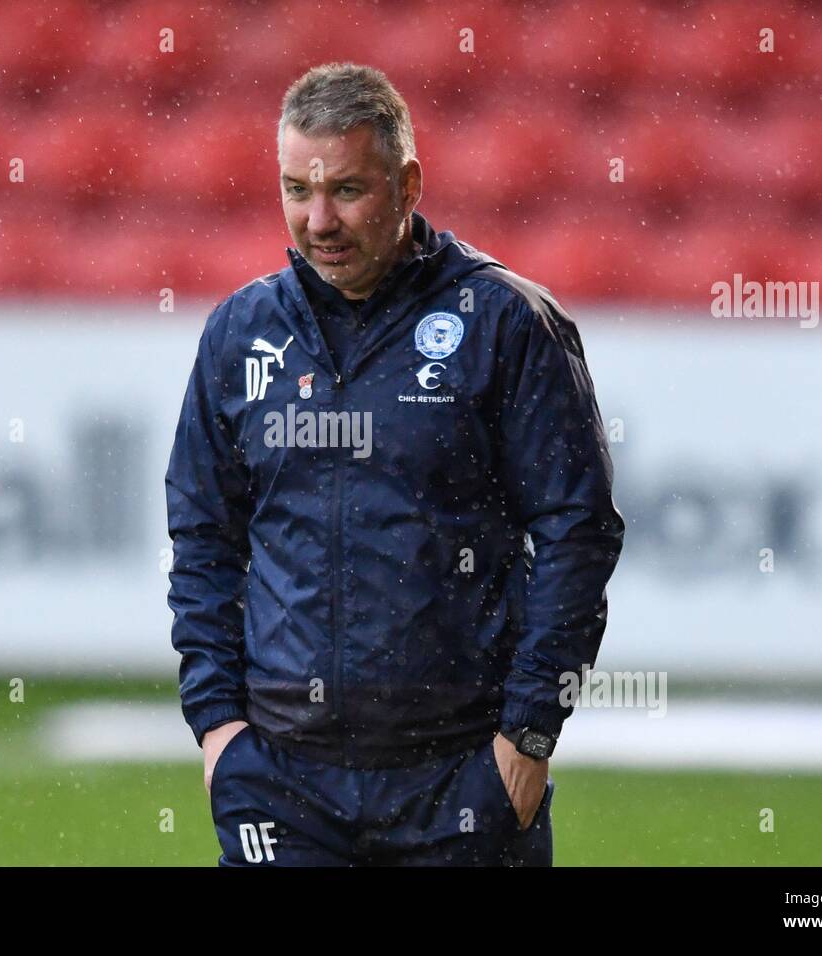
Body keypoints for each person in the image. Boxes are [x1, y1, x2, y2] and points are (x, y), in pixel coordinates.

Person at [165, 62, 625, 866]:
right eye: (296, 191)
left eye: (347, 190)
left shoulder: (505, 324)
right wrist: (218, 729)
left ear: (408, 184)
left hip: (459, 783)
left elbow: (578, 533)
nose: (318, 221)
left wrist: (526, 735)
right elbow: (203, 537)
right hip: (280, 784)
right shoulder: (239, 333)